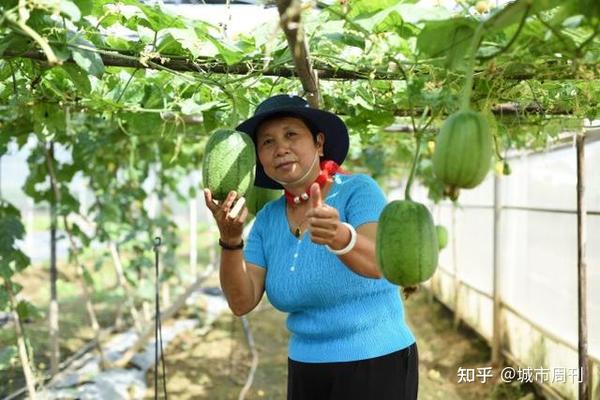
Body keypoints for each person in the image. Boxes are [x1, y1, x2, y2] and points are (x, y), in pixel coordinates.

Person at [203, 94, 418, 400]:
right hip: (307, 367)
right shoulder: (266, 220)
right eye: (267, 142)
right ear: (259, 160)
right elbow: (241, 301)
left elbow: (379, 265)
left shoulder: (358, 191)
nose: (280, 149)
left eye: (291, 134)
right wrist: (230, 239)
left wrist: (340, 238)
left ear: (318, 143)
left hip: (376, 360)